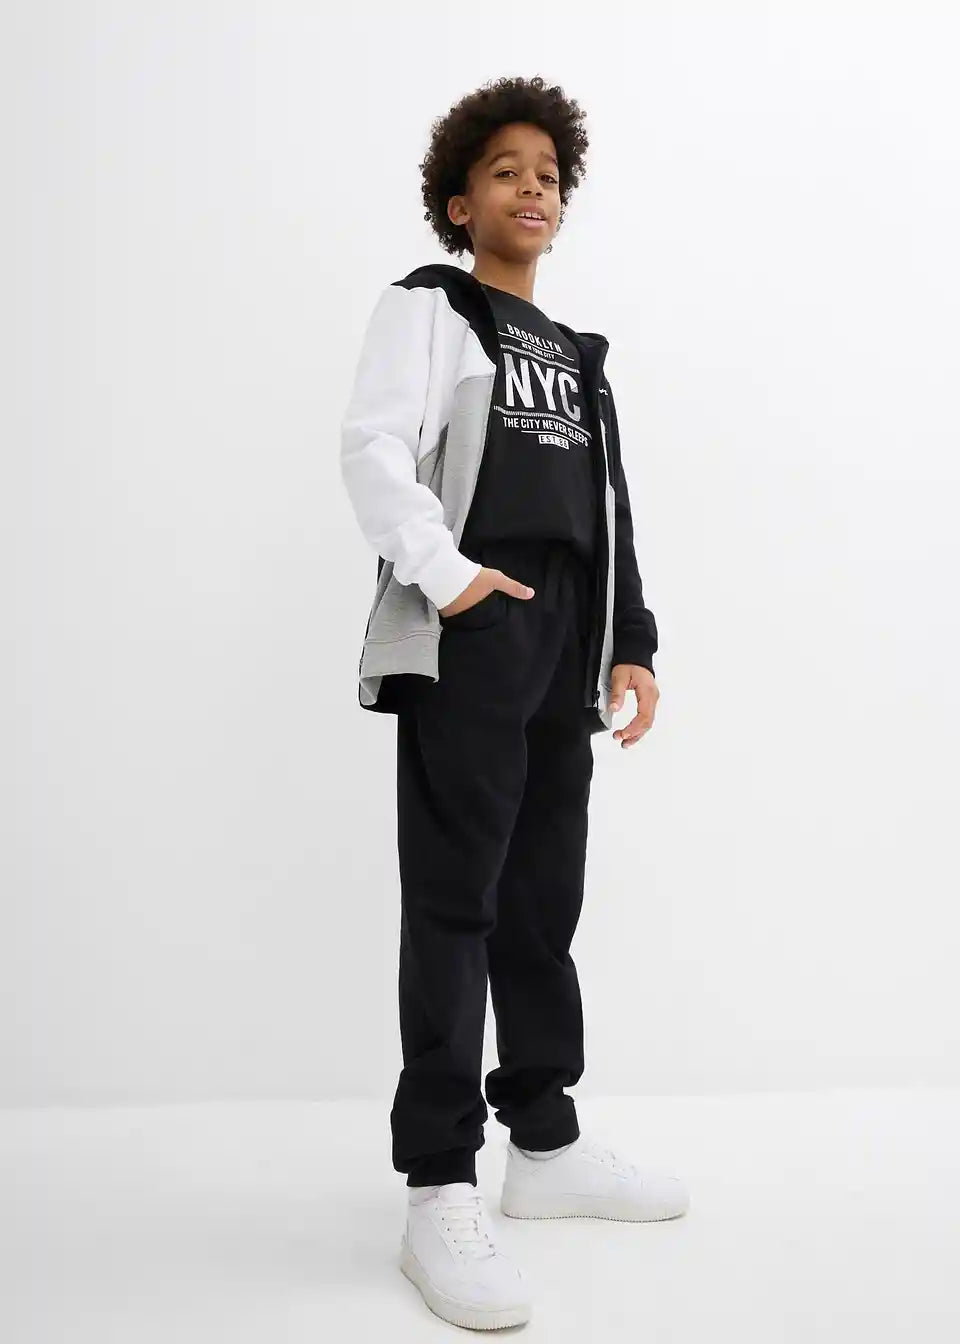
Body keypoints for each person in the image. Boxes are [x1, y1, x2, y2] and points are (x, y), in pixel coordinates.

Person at [340, 75, 689, 1331]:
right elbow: (374, 448)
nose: (533, 187)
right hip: (473, 631)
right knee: (456, 901)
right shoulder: (432, 308)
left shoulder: (582, 361)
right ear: (459, 203)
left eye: (548, 174)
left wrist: (630, 641)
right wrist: (451, 581)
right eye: (505, 172)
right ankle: (440, 1183)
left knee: (542, 902)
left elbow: (610, 511)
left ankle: (543, 1141)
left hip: (564, 649)